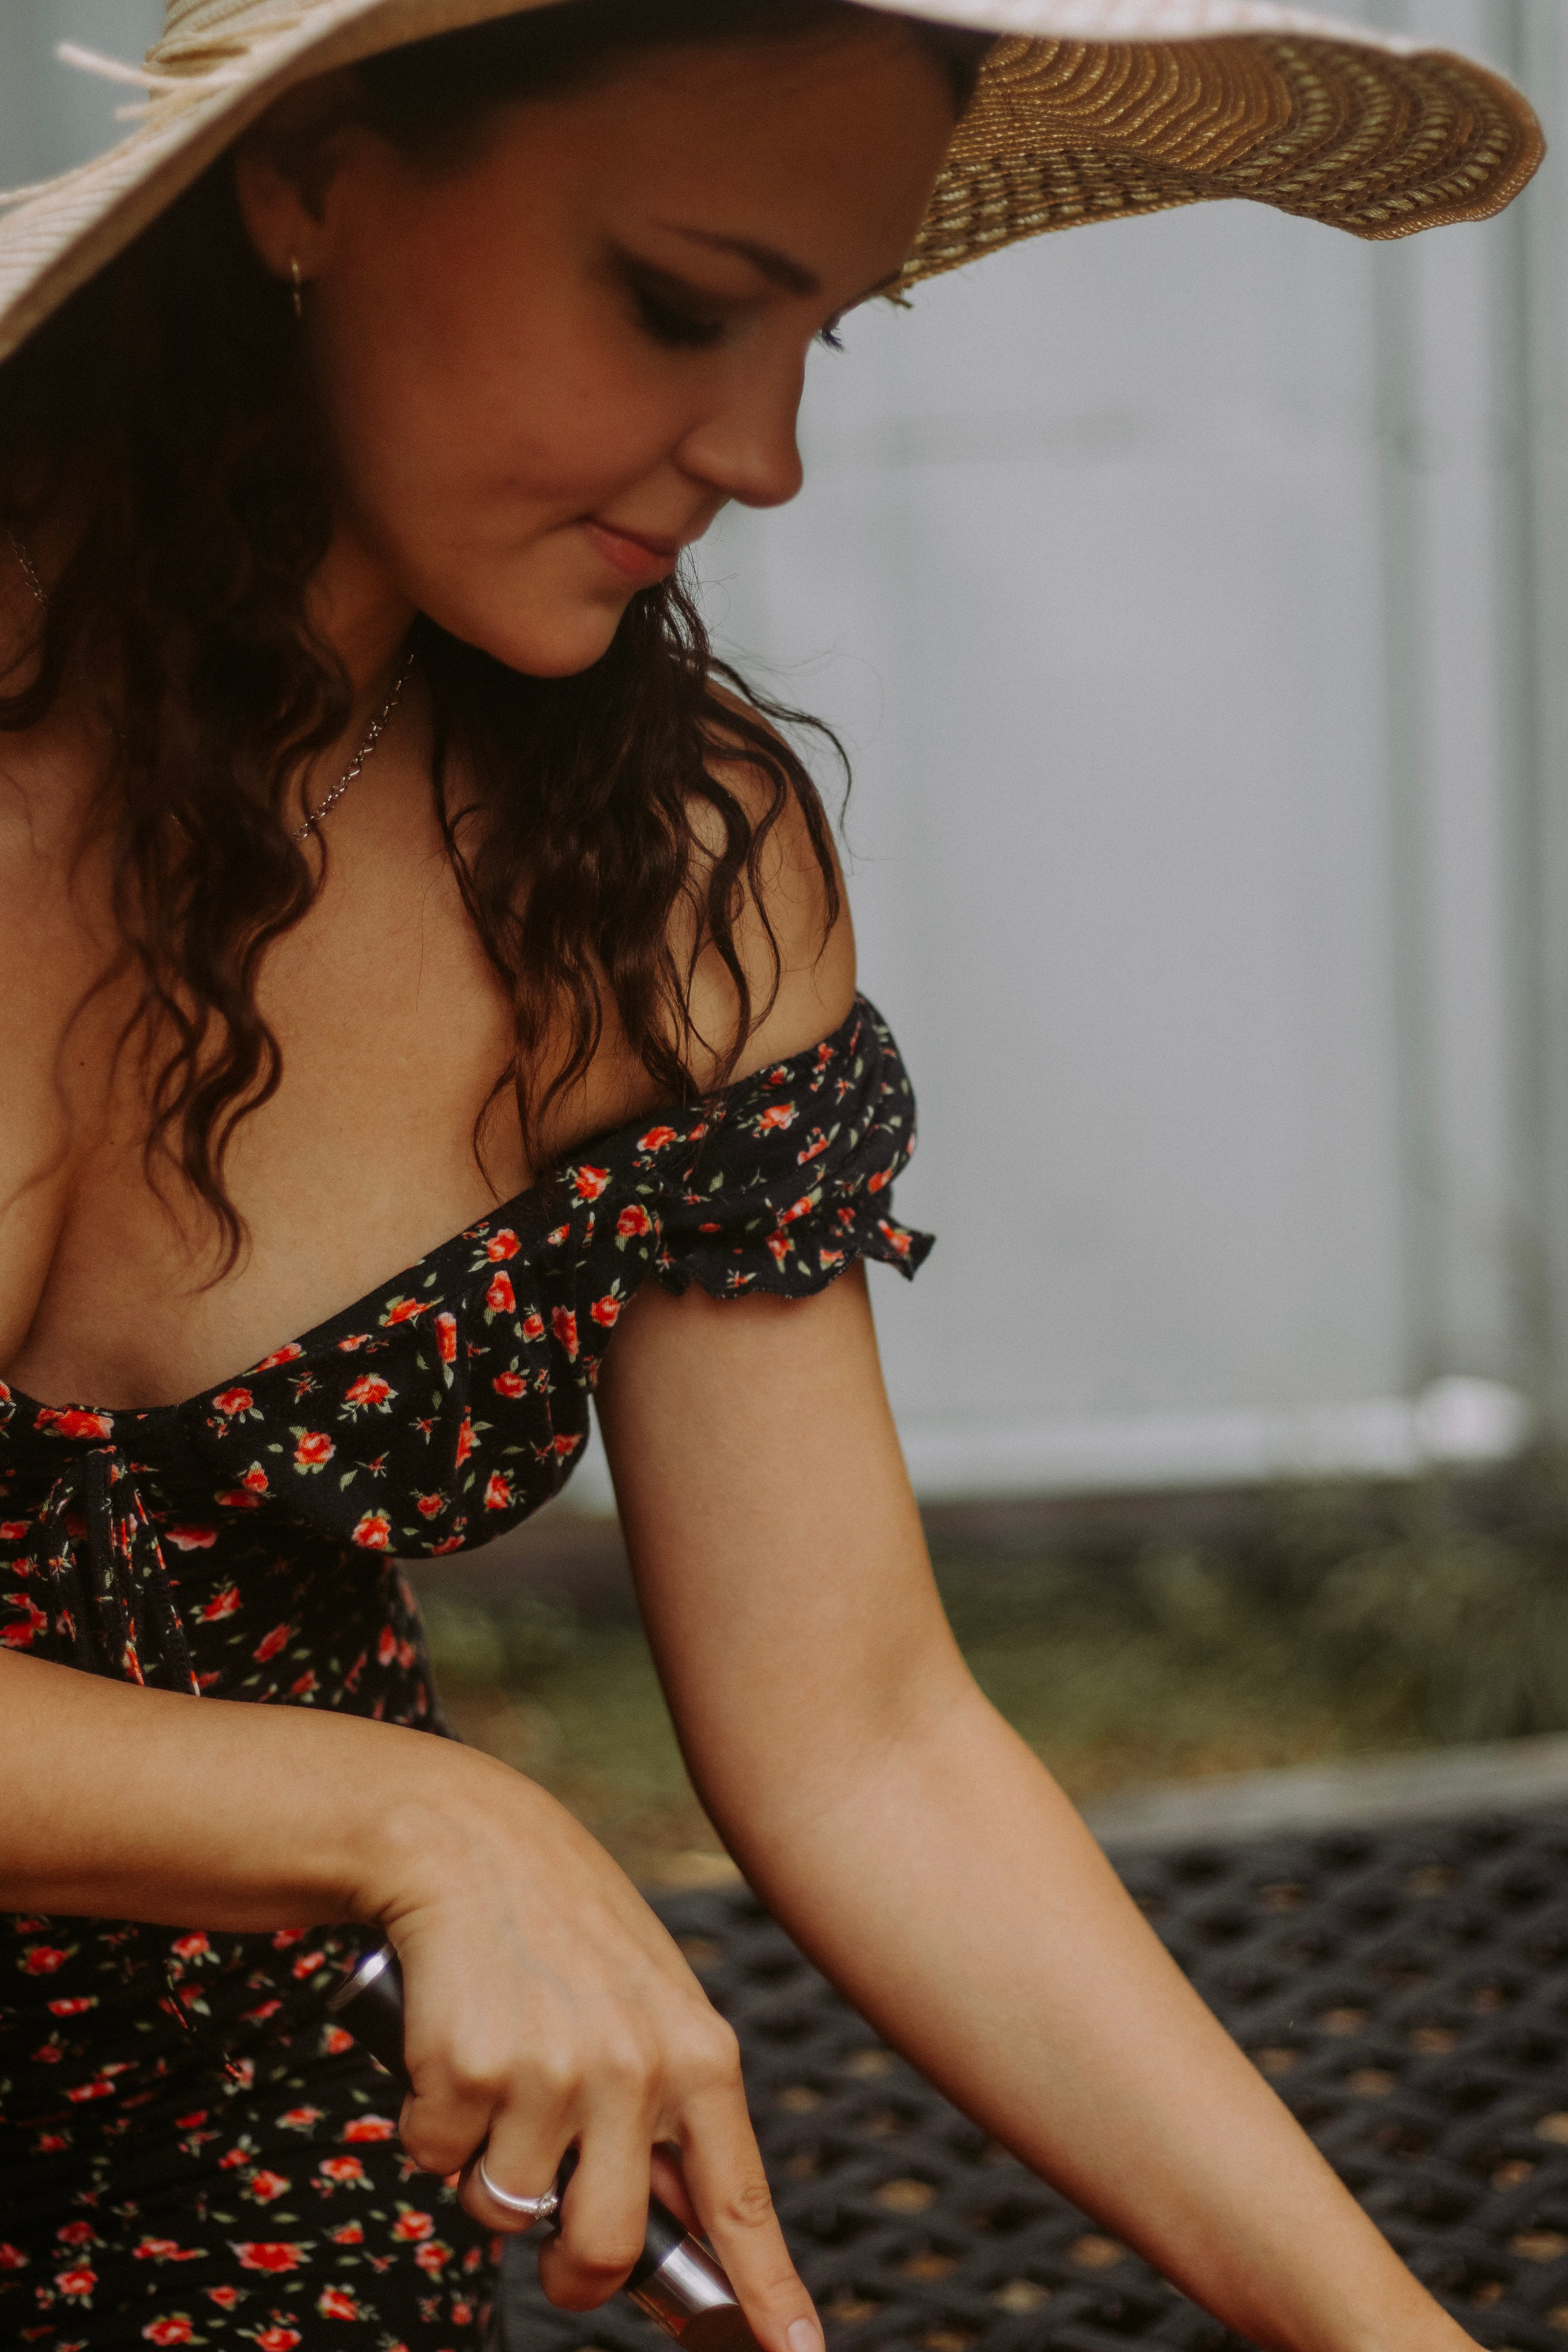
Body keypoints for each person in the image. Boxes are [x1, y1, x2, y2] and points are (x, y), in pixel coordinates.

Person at [0, 0, 1544, 2343]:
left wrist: (1385, 2335)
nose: (769, 450)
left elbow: (867, 1735)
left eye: (821, 330)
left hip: (248, 2200)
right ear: (307, 176)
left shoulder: (657, 870)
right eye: (675, 301)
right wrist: (428, 1816)